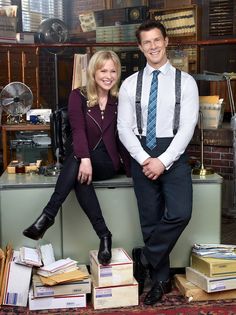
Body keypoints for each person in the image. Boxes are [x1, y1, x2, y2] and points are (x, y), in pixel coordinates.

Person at [117, 20, 199, 304]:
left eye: (157, 40)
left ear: (166, 41)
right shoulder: (129, 84)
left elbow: (187, 127)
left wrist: (163, 161)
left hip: (173, 153)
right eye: (146, 42)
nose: (153, 46)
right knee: (150, 221)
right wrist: (143, 158)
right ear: (140, 47)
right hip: (141, 152)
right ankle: (160, 280)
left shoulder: (185, 82)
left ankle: (147, 256)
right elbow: (123, 128)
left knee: (180, 212)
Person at [23, 50, 130, 266]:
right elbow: (78, 130)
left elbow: (125, 135)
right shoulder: (77, 96)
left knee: (77, 164)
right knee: (81, 176)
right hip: (83, 158)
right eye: (103, 70)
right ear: (93, 72)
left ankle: (47, 216)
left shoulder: (119, 101)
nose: (108, 76)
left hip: (108, 161)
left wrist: (134, 168)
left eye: (113, 71)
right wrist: (85, 158)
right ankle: (104, 236)